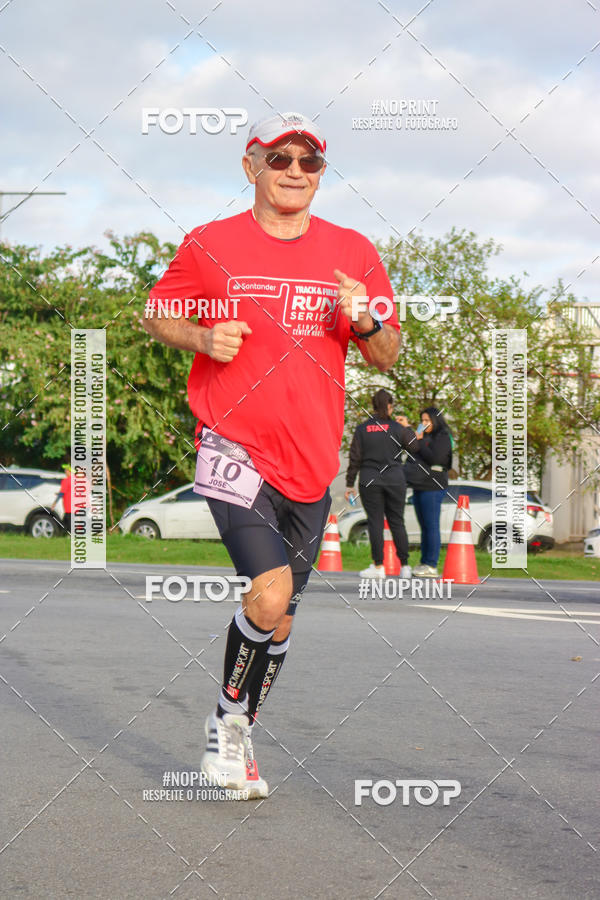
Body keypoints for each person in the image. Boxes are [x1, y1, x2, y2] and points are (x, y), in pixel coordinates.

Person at [143, 112, 401, 798]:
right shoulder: (209, 243)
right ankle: (226, 725)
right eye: (279, 158)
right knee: (271, 591)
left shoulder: (354, 251)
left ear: (320, 173)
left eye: (308, 162)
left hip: (311, 459)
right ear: (251, 165)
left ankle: (240, 730)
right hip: (233, 443)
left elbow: (386, 352)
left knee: (281, 617)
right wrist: (200, 339)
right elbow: (156, 311)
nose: (293, 171)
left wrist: (366, 319)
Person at [345, 389, 416, 579]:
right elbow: (414, 446)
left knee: (375, 522)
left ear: (373, 406)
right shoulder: (397, 429)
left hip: (370, 480)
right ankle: (405, 567)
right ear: (390, 406)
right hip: (395, 480)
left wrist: (349, 484)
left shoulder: (362, 429)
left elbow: (355, 458)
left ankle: (378, 567)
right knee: (397, 522)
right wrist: (408, 427)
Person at [397, 407, 452, 577]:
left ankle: (431, 564)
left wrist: (419, 440)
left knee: (431, 525)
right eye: (422, 420)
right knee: (424, 526)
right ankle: (424, 562)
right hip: (419, 485)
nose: (424, 423)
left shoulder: (442, 436)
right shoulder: (424, 436)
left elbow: (435, 458)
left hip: (434, 487)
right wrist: (410, 432)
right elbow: (413, 451)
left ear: (435, 420)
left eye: (427, 420)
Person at [51, 464, 72, 535]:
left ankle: (69, 535)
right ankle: (64, 534)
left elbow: (62, 493)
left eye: (66, 470)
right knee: (66, 521)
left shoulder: (66, 481)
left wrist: (54, 503)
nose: (65, 472)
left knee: (68, 522)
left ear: (69, 471)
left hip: (69, 505)